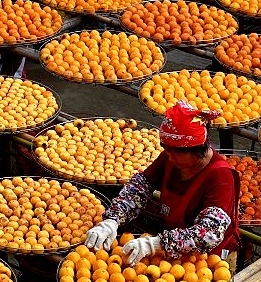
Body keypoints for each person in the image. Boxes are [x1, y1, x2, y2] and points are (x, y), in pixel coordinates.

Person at [85, 100, 241, 271]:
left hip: (207, 261)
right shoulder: (170, 158)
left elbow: (209, 234)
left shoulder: (220, 177)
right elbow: (140, 186)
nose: (170, 157)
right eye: (167, 150)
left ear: (197, 149)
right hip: (172, 256)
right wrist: (112, 220)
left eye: (176, 153)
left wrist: (156, 243)